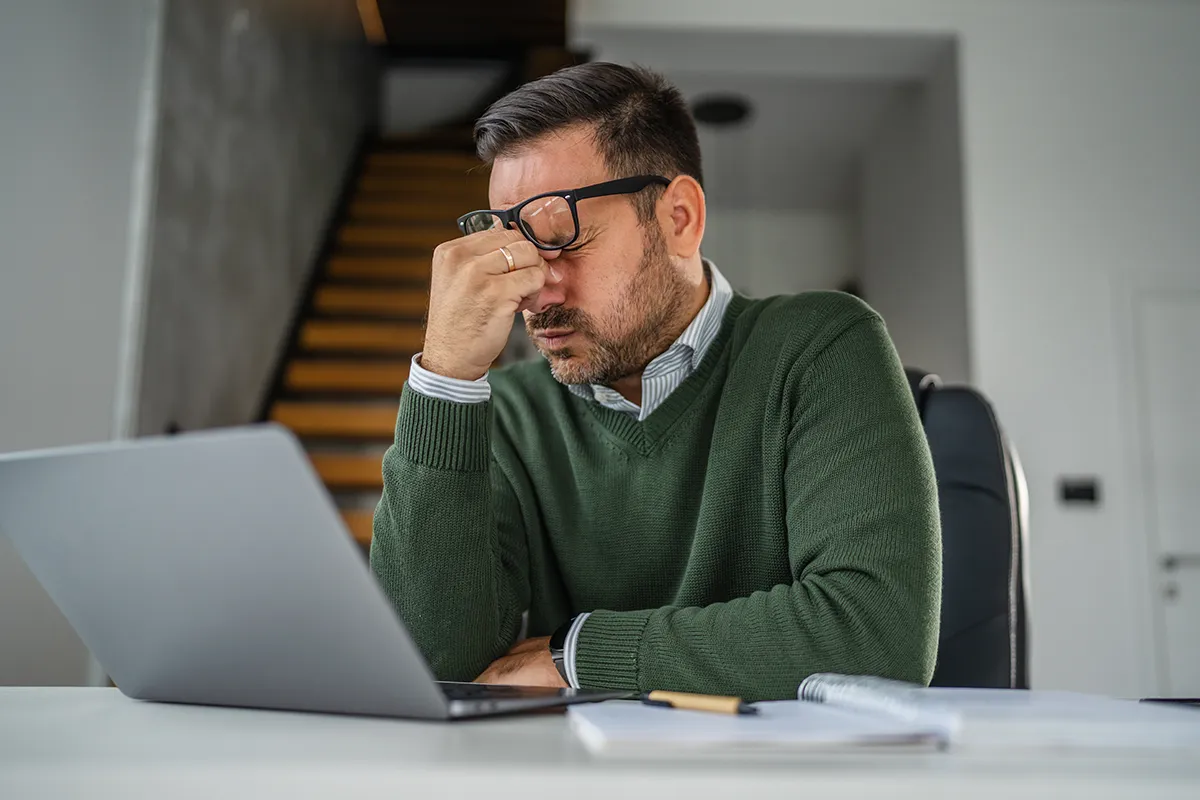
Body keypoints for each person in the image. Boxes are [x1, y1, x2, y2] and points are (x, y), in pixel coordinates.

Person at [369, 63, 941, 702]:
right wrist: (446, 379)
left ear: (679, 218)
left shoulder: (819, 345)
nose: (535, 286)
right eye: (513, 248)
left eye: (562, 237)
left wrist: (579, 656)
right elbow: (435, 661)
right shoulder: (507, 412)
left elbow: (876, 637)